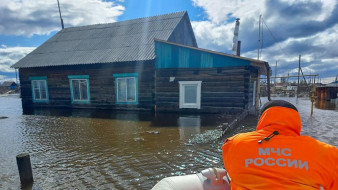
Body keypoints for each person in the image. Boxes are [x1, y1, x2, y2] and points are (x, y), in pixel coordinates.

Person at [222, 100, 337, 190]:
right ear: (297, 121)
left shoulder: (234, 143)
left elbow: (231, 171)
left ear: (261, 118)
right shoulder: (327, 153)